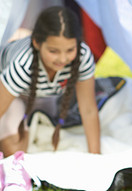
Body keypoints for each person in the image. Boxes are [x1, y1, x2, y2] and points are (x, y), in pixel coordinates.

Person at [0, 6, 101, 157]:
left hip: (45, 97)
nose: (62, 59)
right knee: (14, 150)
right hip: (14, 97)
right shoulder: (23, 65)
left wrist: (96, 157)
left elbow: (88, 109)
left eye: (70, 50)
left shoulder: (82, 57)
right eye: (53, 51)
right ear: (36, 43)